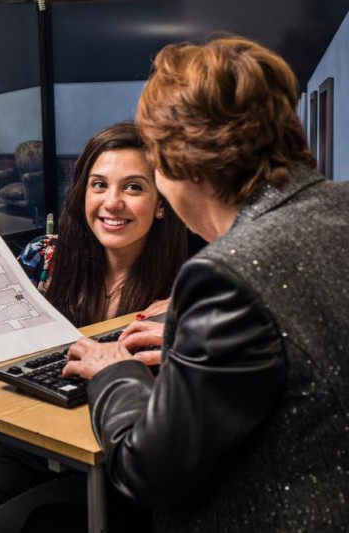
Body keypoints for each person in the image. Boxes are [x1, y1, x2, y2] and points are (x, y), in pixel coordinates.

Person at [62, 35, 349, 533]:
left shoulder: (225, 273)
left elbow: (147, 471)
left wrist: (114, 370)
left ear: (181, 163)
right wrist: (194, 340)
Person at [0, 121, 192, 533]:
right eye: (99, 185)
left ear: (161, 203)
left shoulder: (185, 290)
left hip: (111, 456)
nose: (112, 203)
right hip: (34, 446)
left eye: (133, 187)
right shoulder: (46, 259)